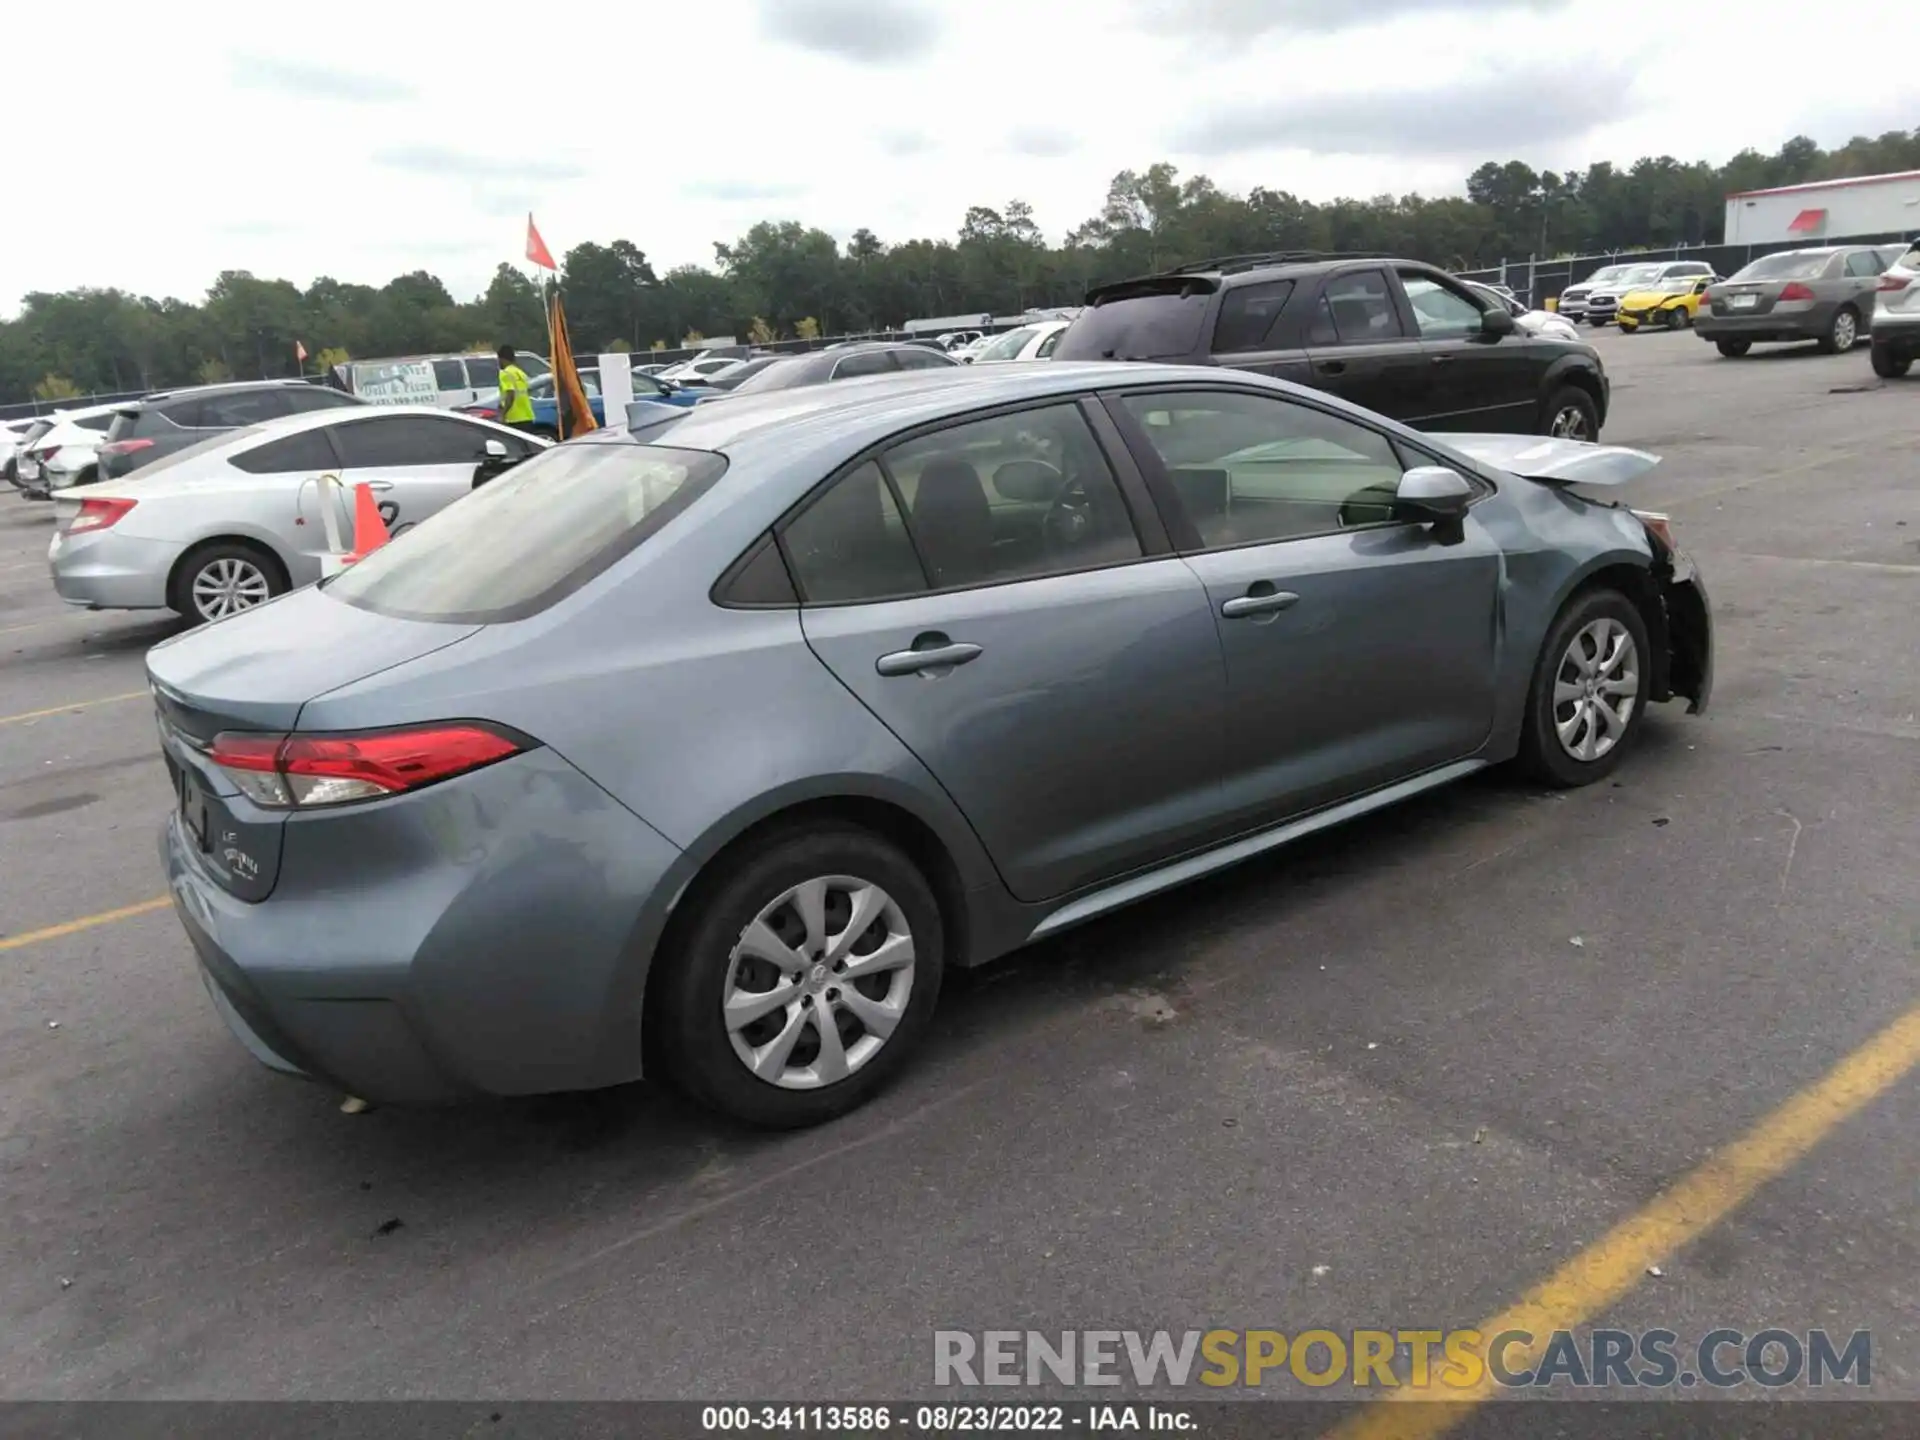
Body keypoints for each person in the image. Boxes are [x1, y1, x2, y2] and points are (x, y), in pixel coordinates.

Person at [495, 346, 536, 433]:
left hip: (514, 419)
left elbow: (510, 396)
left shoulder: (505, 373)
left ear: (502, 359)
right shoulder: (521, 373)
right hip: (527, 416)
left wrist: (502, 415)